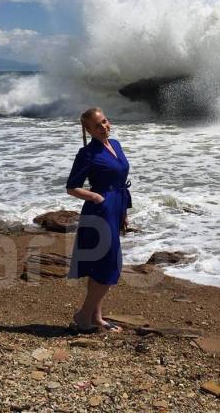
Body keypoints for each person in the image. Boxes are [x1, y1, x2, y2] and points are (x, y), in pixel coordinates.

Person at [66, 107, 131, 332]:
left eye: (105, 121)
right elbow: (71, 187)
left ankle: (97, 317)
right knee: (109, 265)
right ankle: (83, 315)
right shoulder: (87, 154)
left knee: (100, 266)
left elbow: (121, 181)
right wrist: (95, 196)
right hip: (99, 212)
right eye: (97, 125)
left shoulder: (116, 145)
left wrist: (124, 212)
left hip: (116, 207)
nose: (104, 127)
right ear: (88, 129)